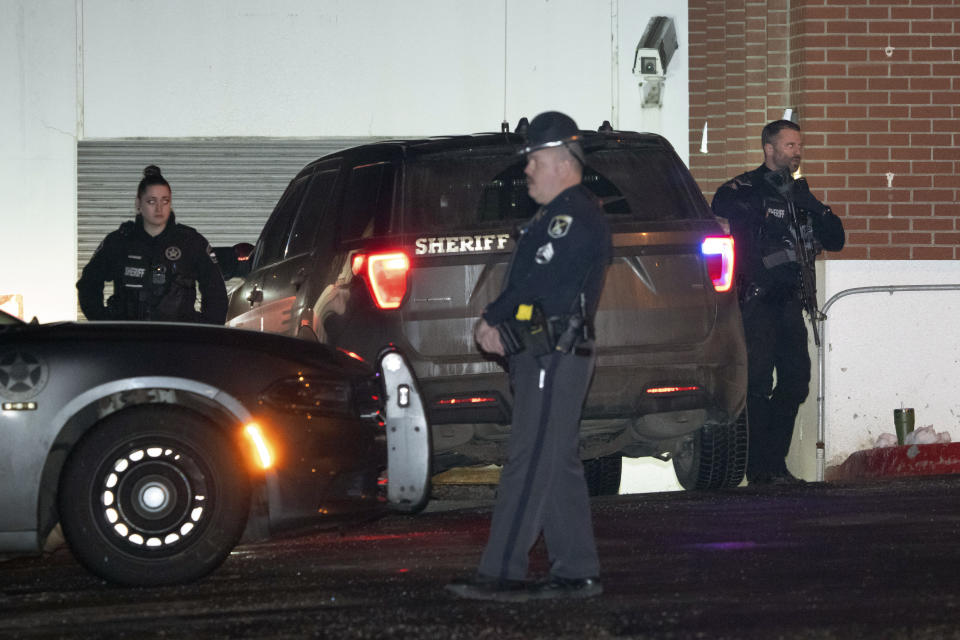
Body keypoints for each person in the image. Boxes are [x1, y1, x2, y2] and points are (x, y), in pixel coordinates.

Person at [445, 111, 612, 601]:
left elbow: (539, 281)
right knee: (556, 462)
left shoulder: (571, 215)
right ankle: (577, 570)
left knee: (530, 460)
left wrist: (493, 316)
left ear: (562, 160)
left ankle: (502, 571)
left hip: (553, 354)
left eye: (534, 161)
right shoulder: (560, 213)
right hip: (547, 353)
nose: (527, 171)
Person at [712, 120, 845, 485]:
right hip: (755, 302)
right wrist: (771, 199)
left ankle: (772, 464)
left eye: (798, 145)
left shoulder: (800, 195)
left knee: (796, 381)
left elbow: (836, 240)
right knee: (756, 384)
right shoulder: (741, 189)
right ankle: (759, 468)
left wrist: (811, 204)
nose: (796, 152)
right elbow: (724, 220)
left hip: (789, 304)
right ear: (768, 149)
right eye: (789, 145)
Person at [77, 165, 228, 324]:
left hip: (180, 341)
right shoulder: (119, 242)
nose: (159, 208)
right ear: (138, 204)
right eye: (151, 201)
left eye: (165, 201)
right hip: (129, 341)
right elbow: (88, 284)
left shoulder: (191, 242)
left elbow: (215, 292)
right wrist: (105, 324)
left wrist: (203, 334)